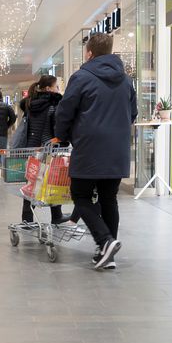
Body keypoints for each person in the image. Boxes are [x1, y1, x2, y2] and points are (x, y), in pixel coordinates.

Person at [55, 32, 137, 270]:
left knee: (80, 195)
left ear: (89, 52)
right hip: (118, 148)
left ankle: (105, 241)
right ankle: (106, 252)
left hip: (90, 146)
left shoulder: (81, 77)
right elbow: (132, 114)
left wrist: (63, 136)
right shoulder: (126, 80)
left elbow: (65, 110)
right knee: (109, 198)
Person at [20, 75, 71, 225]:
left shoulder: (31, 103)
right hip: (50, 149)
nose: (58, 90)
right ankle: (56, 216)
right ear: (48, 88)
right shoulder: (53, 105)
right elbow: (59, 126)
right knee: (54, 181)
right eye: (56, 87)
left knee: (32, 182)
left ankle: (27, 218)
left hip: (34, 148)